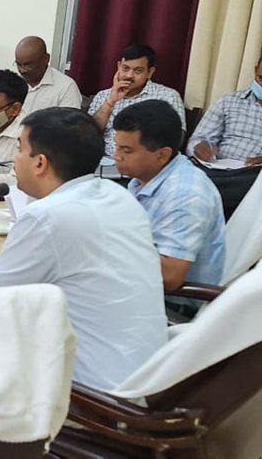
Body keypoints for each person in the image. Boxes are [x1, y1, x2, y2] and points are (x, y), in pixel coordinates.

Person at [0, 107, 167, 391]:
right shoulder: (116, 196)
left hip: (91, 393)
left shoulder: (47, 216)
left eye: (19, 149)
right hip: (143, 375)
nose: (14, 159)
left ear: (39, 163)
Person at [112, 100, 226, 294]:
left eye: (126, 150)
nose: (116, 156)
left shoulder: (186, 195)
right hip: (134, 288)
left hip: (170, 307)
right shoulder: (144, 177)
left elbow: (170, 277)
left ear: (162, 155)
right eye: (117, 147)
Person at [88, 43, 186, 156]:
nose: (129, 75)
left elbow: (176, 138)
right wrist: (110, 102)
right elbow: (90, 134)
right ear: (118, 66)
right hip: (103, 160)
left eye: (138, 71)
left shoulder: (168, 96)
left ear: (150, 72)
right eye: (125, 68)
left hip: (144, 164)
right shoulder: (103, 95)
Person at [188, 56, 262, 166]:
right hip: (218, 169)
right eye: (261, 78)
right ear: (255, 70)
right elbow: (197, 139)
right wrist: (199, 147)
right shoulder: (228, 102)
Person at [13, 36, 81, 115]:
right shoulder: (12, 83)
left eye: (28, 65)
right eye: (18, 64)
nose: (22, 70)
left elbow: (69, 124)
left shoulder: (66, 87)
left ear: (46, 59)